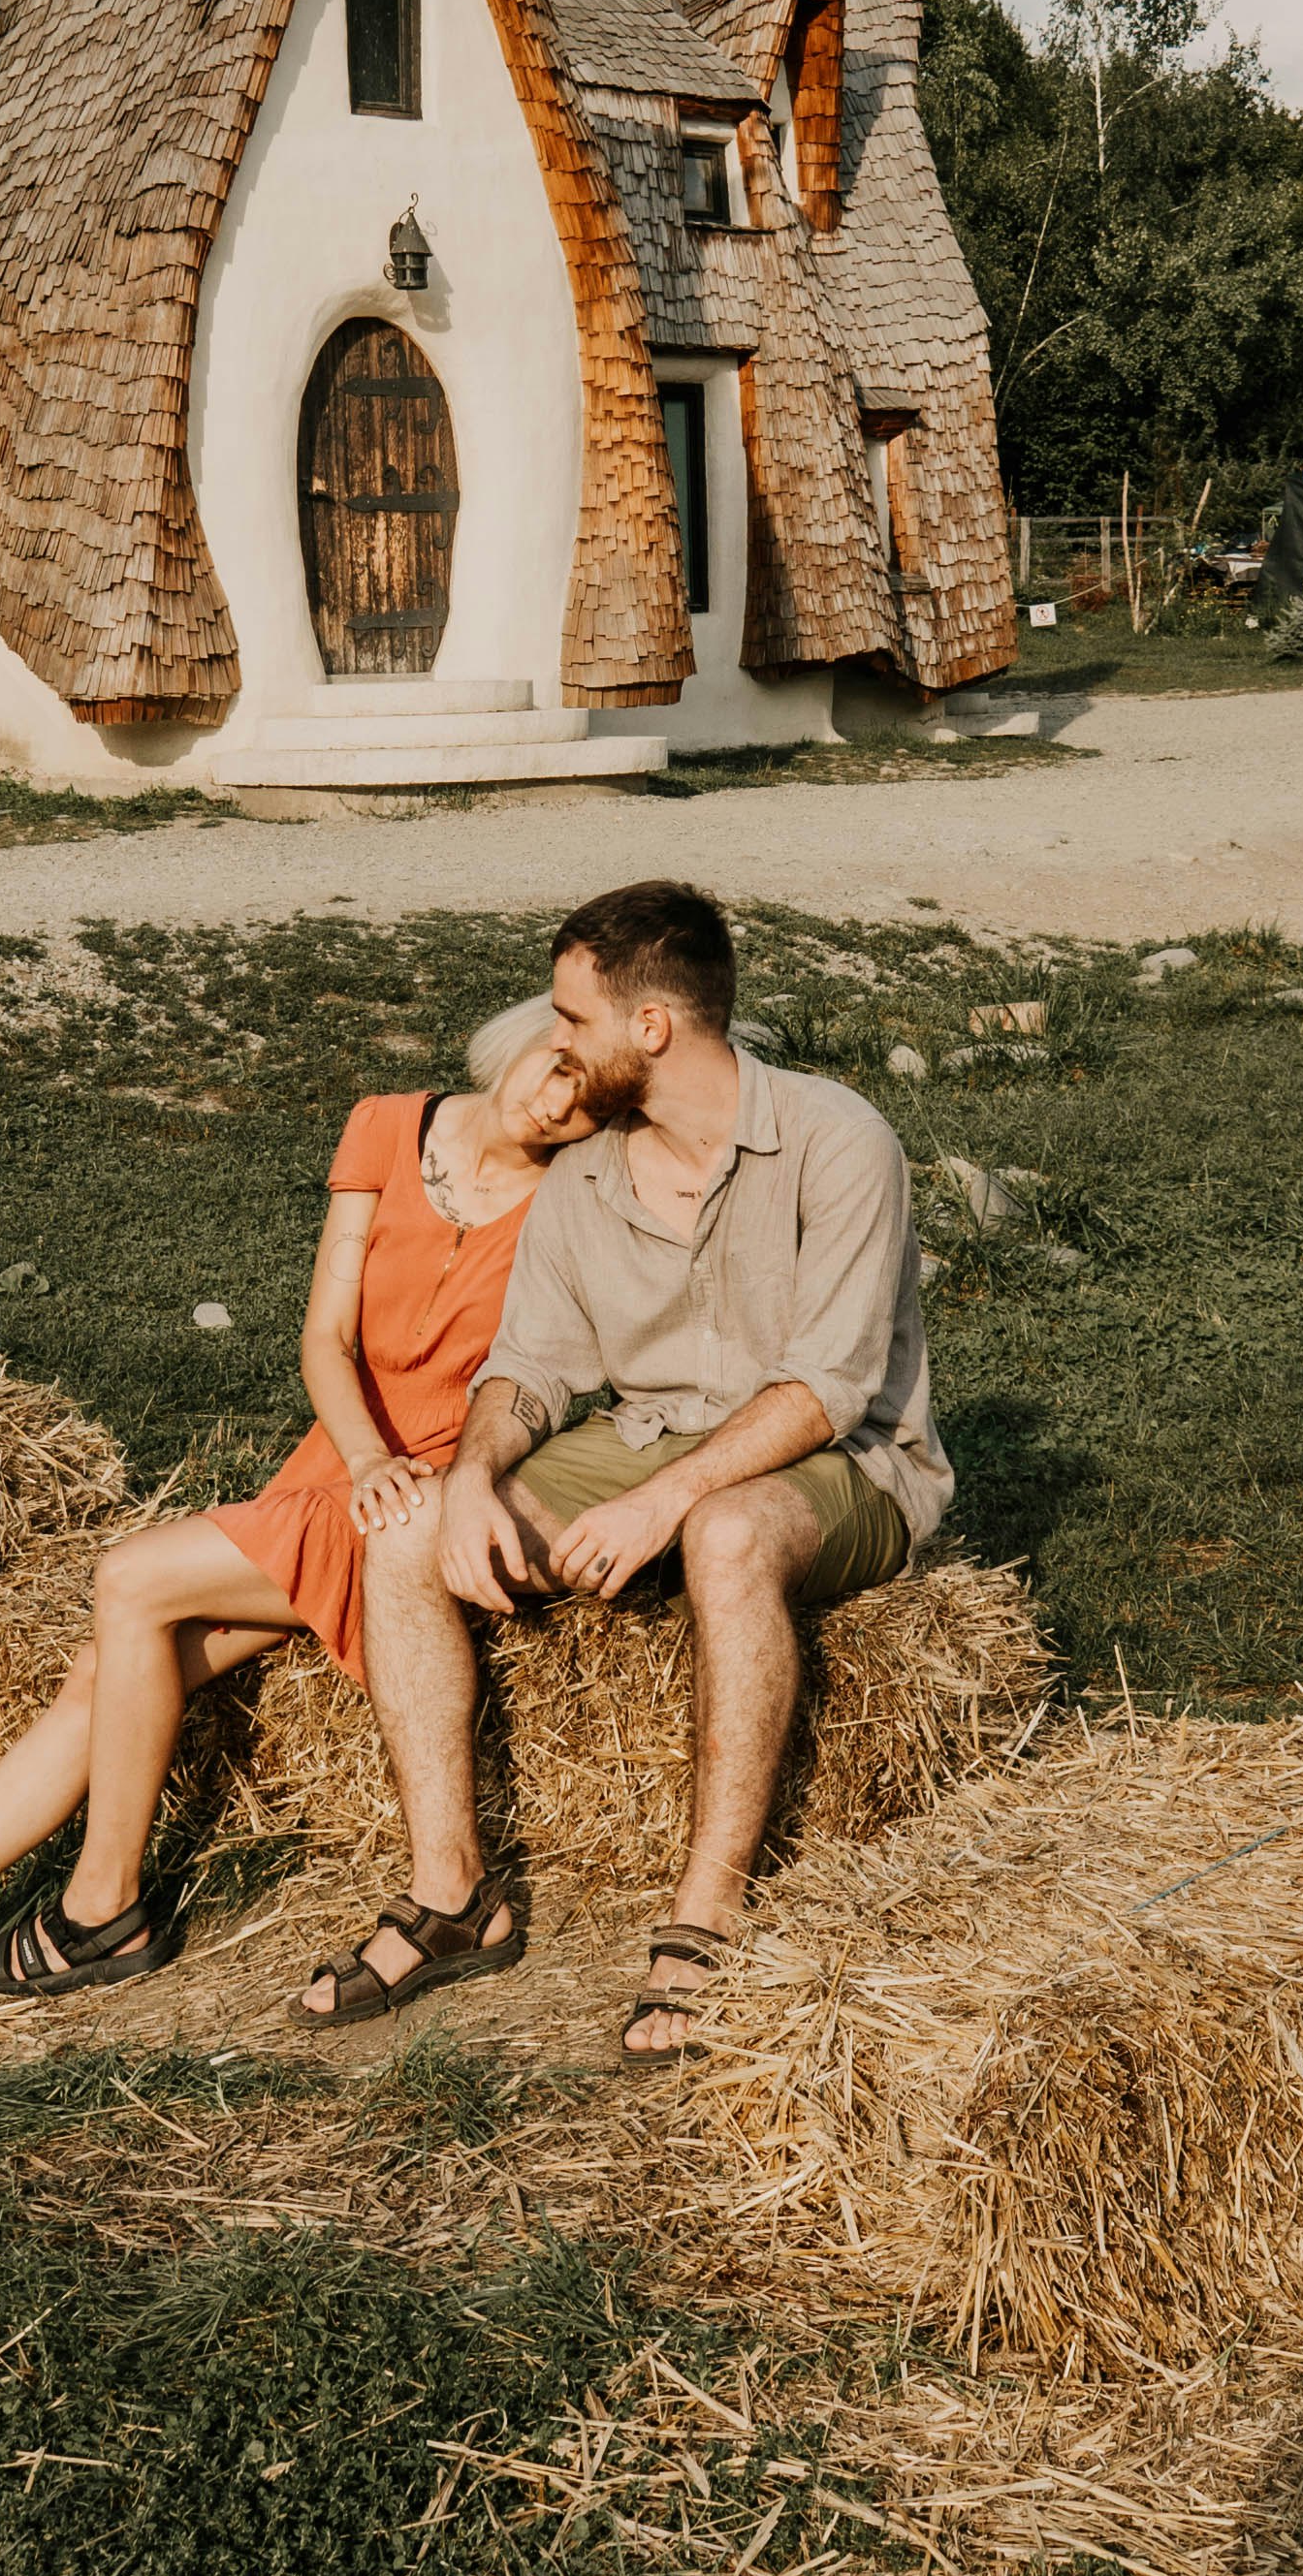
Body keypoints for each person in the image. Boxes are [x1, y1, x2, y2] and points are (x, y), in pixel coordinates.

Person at [0, 998, 585, 2034]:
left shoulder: (575, 1204)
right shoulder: (387, 1125)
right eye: (556, 1063)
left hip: (420, 1499)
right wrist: (360, 1458)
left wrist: (398, 1480)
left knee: (130, 1579)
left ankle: (101, 1909)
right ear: (522, 1037)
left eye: (593, 1094)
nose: (562, 1098)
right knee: (107, 1666)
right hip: (338, 1471)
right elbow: (325, 1338)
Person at [299, 876, 945, 2065]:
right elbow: (528, 1367)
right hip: (648, 1433)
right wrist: (479, 1478)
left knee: (727, 1536)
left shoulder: (837, 1140)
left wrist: (668, 1498)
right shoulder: (587, 1174)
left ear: (652, 1027)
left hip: (844, 1460)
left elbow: (830, 1386)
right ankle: (452, 1896)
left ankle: (708, 1911)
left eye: (571, 1017)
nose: (553, 1042)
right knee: (403, 1535)